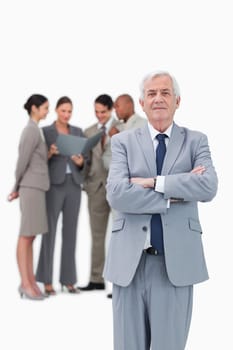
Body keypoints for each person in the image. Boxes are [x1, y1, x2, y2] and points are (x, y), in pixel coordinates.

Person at [103, 70, 218, 350]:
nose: (158, 99)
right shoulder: (122, 143)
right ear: (141, 103)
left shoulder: (196, 141)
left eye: (165, 93)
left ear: (177, 101)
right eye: (151, 93)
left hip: (174, 263)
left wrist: (155, 182)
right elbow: (116, 194)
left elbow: (207, 187)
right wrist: (171, 196)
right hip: (128, 261)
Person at [36, 96, 88, 295]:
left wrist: (80, 162)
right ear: (57, 110)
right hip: (54, 185)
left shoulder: (77, 132)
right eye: (63, 110)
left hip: (73, 185)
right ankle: (46, 280)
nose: (66, 114)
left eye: (69, 111)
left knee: (71, 233)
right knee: (49, 233)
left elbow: (86, 161)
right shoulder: (46, 132)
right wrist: (49, 153)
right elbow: (39, 160)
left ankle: (68, 280)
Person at [8, 94, 50, 300]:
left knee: (31, 235)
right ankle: (25, 283)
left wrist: (48, 154)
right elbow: (22, 161)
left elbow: (35, 159)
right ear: (34, 108)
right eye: (44, 108)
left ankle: (30, 280)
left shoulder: (37, 130)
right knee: (26, 235)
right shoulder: (30, 130)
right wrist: (15, 187)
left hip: (37, 187)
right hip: (30, 187)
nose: (47, 111)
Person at [80, 94, 121, 292]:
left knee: (120, 235)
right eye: (96, 112)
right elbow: (85, 162)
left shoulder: (123, 129)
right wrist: (83, 180)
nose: (99, 116)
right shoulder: (88, 132)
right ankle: (96, 278)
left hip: (117, 189)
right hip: (95, 189)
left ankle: (120, 283)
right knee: (97, 236)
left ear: (111, 109)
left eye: (103, 112)